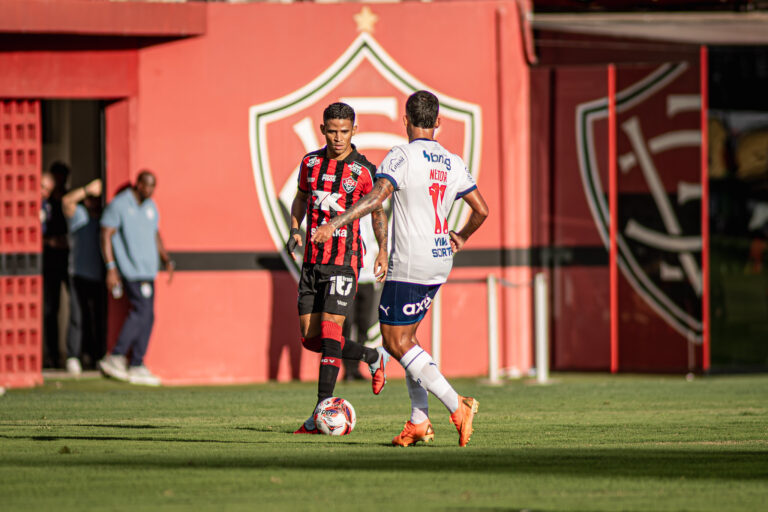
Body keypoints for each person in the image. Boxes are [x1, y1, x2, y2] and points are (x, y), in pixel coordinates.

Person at [312, 90, 489, 447]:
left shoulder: (402, 155)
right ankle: (419, 421)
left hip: (410, 259)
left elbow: (378, 196)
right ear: (438, 122)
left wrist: (336, 222)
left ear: (406, 121)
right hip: (440, 258)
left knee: (395, 342)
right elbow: (481, 209)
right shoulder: (452, 162)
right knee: (409, 342)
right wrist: (461, 236)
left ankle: (458, 404)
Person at [286, 102, 390, 434]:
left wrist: (383, 250)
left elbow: (376, 213)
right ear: (322, 130)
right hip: (312, 264)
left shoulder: (364, 170)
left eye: (344, 131)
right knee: (311, 340)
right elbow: (301, 198)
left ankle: (319, 414)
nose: (338, 137)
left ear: (354, 131)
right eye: (332, 131)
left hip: (344, 263)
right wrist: (294, 229)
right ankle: (371, 356)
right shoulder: (310, 163)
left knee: (331, 334)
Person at [97, 171, 174, 386]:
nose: (150, 191)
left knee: (148, 316)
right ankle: (117, 357)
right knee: (141, 311)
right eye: (147, 186)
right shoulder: (120, 204)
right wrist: (111, 268)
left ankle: (137, 364)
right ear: (138, 184)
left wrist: (165, 258)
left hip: (148, 270)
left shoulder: (151, 206)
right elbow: (105, 234)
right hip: (131, 270)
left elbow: (155, 233)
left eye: (153, 187)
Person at [61, 178, 106, 375]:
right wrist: (88, 190)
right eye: (91, 199)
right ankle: (73, 356)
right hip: (78, 273)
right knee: (77, 316)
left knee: (98, 317)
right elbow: (67, 202)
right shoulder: (79, 215)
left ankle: (97, 355)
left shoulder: (104, 219)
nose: (94, 202)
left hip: (99, 275)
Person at [341, 215, 384, 381]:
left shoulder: (373, 217)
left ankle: (356, 368)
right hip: (349, 277)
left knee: (364, 325)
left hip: (368, 278)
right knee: (347, 324)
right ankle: (347, 370)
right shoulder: (347, 215)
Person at [41, 162, 71, 369]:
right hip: (47, 261)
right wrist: (49, 242)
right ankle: (51, 355)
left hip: (67, 260)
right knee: (50, 309)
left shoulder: (66, 199)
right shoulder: (41, 202)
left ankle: (76, 353)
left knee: (76, 307)